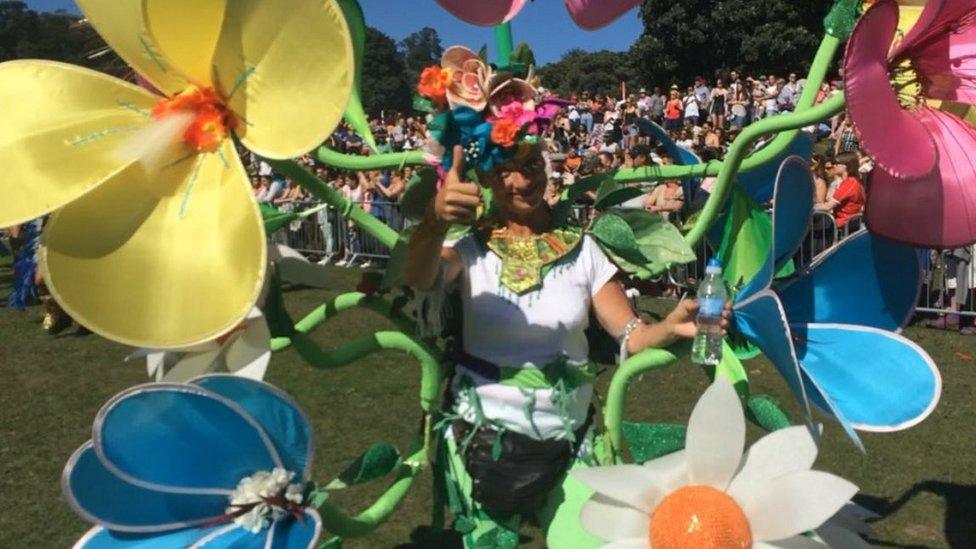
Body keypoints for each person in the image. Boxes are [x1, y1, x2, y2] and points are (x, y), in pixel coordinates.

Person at [403, 142, 730, 544]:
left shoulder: (584, 250)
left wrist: (671, 325)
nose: (521, 181)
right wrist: (435, 221)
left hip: (571, 443)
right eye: (506, 170)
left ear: (545, 168)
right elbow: (420, 276)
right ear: (487, 178)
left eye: (529, 165)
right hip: (482, 445)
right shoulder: (470, 251)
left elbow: (631, 334)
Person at [816, 151, 865, 229]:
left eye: (836, 163)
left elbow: (827, 207)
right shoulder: (852, 181)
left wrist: (807, 207)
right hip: (843, 224)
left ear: (845, 166)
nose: (833, 165)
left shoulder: (849, 184)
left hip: (843, 226)